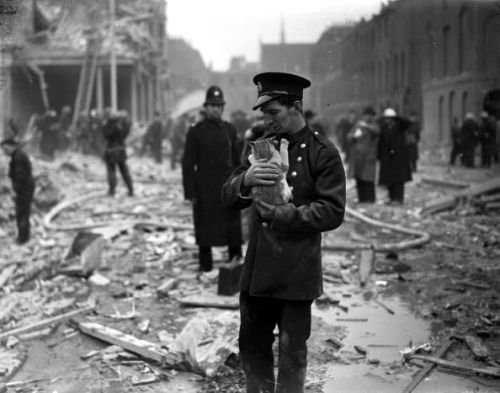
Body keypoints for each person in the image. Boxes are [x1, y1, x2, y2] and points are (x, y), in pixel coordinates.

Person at [222, 72, 346, 393]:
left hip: (296, 275)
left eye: (273, 112)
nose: (267, 120)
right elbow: (227, 195)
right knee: (253, 352)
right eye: (264, 113)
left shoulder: (323, 152)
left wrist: (284, 215)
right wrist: (245, 180)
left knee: (292, 356)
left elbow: (332, 211)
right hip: (258, 274)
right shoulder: (260, 149)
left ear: (296, 107)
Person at [182, 86, 243, 272]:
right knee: (205, 231)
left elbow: (237, 161)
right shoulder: (196, 132)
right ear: (206, 107)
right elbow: (188, 164)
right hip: (205, 190)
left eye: (219, 106)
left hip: (227, 189)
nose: (216, 109)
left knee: (232, 230)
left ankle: (236, 265)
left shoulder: (230, 130)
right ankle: (205, 266)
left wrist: (240, 187)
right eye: (212, 106)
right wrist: (191, 192)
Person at [1, 137, 35, 244]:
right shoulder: (17, 155)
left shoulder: (18, 157)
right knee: (23, 212)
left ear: (12, 146)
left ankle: (23, 238)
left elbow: (20, 176)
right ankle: (24, 236)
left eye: (6, 149)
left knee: (22, 213)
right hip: (26, 188)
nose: (4, 151)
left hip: (24, 189)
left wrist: (15, 190)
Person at [378, 108, 412, 204]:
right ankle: (392, 198)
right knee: (389, 180)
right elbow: (381, 142)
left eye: (388, 118)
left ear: (392, 118)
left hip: (399, 157)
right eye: (386, 118)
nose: (386, 120)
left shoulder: (400, 126)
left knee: (399, 180)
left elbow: (408, 122)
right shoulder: (384, 128)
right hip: (387, 158)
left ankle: (399, 199)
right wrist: (380, 156)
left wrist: (397, 117)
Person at [347, 106, 380, 203]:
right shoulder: (358, 126)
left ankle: (370, 199)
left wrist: (366, 126)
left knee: (368, 179)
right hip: (357, 157)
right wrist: (353, 136)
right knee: (359, 178)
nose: (368, 118)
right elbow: (349, 137)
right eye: (367, 116)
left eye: (370, 116)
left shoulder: (373, 125)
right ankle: (362, 199)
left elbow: (377, 131)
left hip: (368, 156)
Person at [102, 110, 134, 197]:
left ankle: (112, 190)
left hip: (111, 151)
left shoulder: (109, 125)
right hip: (120, 151)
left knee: (111, 171)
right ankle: (130, 189)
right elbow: (126, 133)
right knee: (124, 171)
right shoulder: (121, 125)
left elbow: (105, 135)